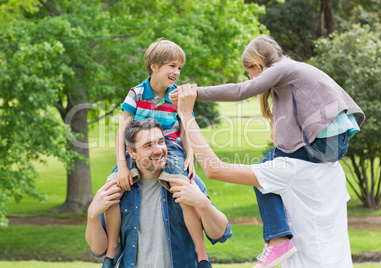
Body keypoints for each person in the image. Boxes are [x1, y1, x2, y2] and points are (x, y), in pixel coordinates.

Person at [170, 35, 364, 268]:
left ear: (258, 66)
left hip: (321, 147)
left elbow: (214, 167)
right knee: (265, 167)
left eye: (248, 71)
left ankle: (277, 240)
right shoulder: (333, 171)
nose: (249, 77)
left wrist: (192, 101)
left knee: (263, 170)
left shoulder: (281, 69)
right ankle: (278, 238)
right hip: (333, 148)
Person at [103, 39, 211, 267]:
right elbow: (123, 128)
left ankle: (201, 254)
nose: (177, 72)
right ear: (154, 66)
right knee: (112, 187)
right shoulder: (137, 93)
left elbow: (184, 127)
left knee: (183, 189)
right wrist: (122, 165)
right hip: (138, 147)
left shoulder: (176, 96)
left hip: (169, 148)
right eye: (172, 66)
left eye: (180, 67)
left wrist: (189, 156)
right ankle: (112, 250)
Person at [85, 118, 232, 268]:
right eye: (148, 145)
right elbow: (98, 249)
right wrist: (92, 215)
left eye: (161, 142)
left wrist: (203, 203)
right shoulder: (120, 187)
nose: (158, 150)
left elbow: (220, 233)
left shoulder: (184, 179)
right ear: (132, 153)